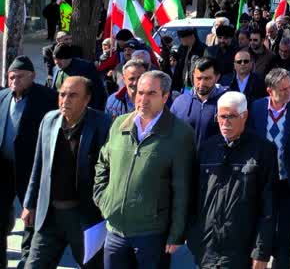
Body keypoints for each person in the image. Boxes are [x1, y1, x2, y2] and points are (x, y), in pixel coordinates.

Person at [93, 70, 195, 268]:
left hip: (152, 234)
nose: (143, 99)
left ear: (165, 97)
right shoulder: (119, 124)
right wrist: (103, 199)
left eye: (151, 94)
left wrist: (176, 233)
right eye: (140, 92)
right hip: (115, 232)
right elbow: (102, 164)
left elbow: (183, 188)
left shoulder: (180, 133)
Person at [23, 76, 111, 269]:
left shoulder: (102, 124)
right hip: (50, 215)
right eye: (62, 94)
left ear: (87, 99)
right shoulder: (49, 120)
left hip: (84, 217)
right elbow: (39, 165)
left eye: (73, 96)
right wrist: (29, 203)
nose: (65, 100)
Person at [187, 91, 276, 268]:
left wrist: (261, 252)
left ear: (244, 116)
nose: (225, 122)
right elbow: (193, 197)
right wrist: (194, 237)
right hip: (206, 248)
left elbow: (268, 206)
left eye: (231, 117)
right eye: (221, 116)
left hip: (242, 250)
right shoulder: (206, 149)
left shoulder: (263, 151)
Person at [249, 68, 290, 269]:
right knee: (262, 228)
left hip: (289, 183)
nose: (288, 92)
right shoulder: (256, 108)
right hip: (263, 181)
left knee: (286, 234)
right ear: (270, 90)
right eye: (283, 89)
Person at [0, 56, 59, 267]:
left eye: (20, 77)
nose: (15, 81)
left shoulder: (49, 98)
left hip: (33, 169)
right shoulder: (2, 96)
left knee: (31, 219)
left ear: (32, 77)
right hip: (4, 168)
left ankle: (27, 261)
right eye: (11, 76)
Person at [170, 57, 228, 150]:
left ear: (217, 77)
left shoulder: (227, 102)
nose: (202, 83)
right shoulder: (180, 102)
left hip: (214, 162)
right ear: (193, 75)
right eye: (199, 78)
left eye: (207, 78)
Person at [52, 44, 107, 111]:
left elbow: (98, 92)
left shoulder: (86, 68)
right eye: (54, 59)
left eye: (59, 59)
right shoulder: (56, 69)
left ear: (68, 58)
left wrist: (92, 113)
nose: (56, 62)